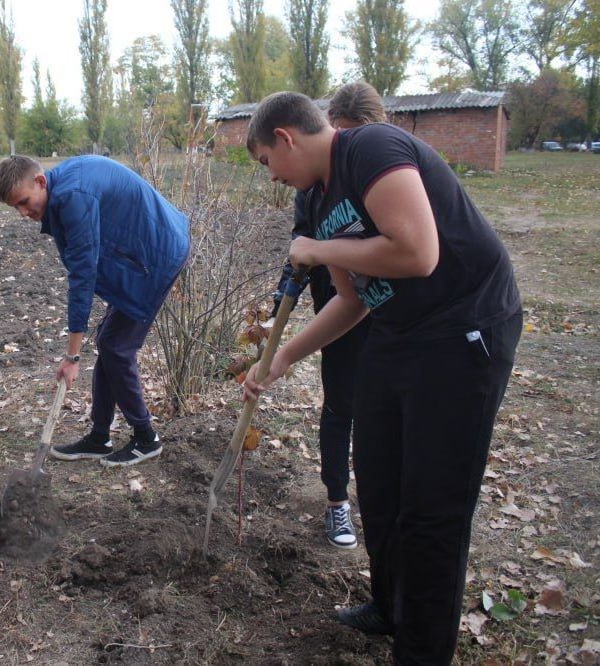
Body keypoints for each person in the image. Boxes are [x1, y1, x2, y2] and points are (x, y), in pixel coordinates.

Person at [243, 92, 521, 664]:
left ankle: (422, 649)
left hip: (463, 328)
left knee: (432, 508)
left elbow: (418, 253)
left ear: (286, 139)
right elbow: (353, 302)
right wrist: (282, 357)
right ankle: (390, 606)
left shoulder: (371, 147)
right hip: (398, 332)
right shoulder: (321, 199)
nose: (270, 177)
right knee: (379, 482)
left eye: (266, 162)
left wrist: (319, 249)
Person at [0, 155, 189, 467]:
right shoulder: (61, 193)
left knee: (116, 346)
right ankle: (100, 437)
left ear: (41, 182)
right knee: (109, 342)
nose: (22, 212)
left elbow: (83, 276)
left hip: (156, 256)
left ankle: (145, 437)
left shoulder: (73, 198)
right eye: (15, 207)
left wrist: (72, 357)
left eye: (24, 201)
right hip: (141, 251)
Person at [271, 81, 387, 550]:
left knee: (380, 410)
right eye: (345, 135)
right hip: (337, 298)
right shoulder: (313, 188)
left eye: (360, 136)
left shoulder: (385, 170)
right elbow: (304, 242)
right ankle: (338, 501)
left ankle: (379, 502)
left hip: (389, 303)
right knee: (341, 403)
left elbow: (409, 248)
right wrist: (289, 287)